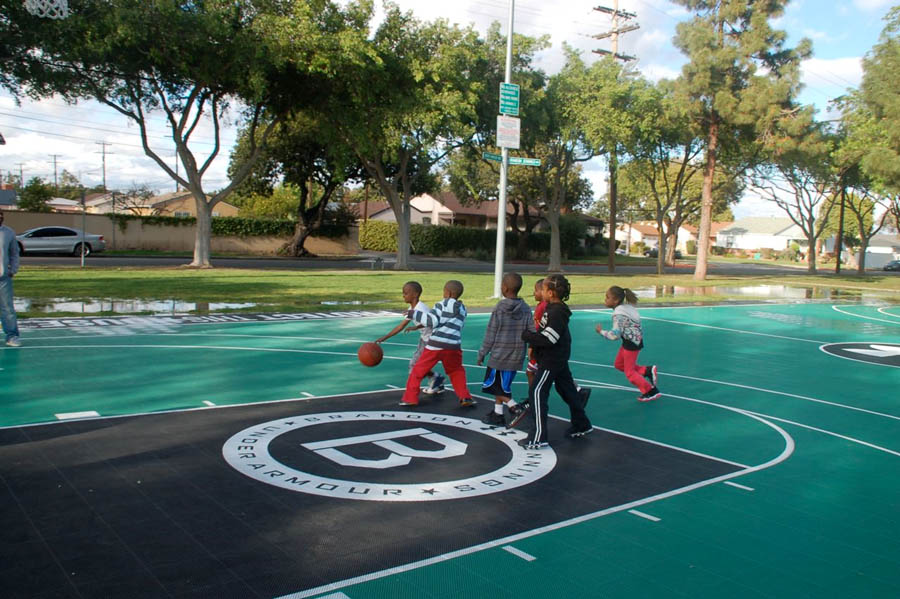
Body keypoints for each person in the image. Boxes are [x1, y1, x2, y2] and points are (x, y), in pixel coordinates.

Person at [519, 274, 592, 449]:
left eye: (543, 289)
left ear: (551, 293)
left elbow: (549, 339)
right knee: (567, 389)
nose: (541, 291)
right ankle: (582, 424)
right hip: (556, 357)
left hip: (552, 359)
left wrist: (527, 336)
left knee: (537, 392)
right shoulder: (552, 308)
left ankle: (538, 437)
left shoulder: (557, 312)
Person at [400, 279, 475, 408]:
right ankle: (465, 397)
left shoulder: (440, 305)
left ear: (448, 292)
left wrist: (414, 314)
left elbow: (432, 321)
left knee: (418, 370)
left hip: (436, 345)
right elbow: (460, 326)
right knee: (456, 371)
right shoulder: (463, 308)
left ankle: (410, 398)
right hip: (454, 345)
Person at [476, 272, 534, 426]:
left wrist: (482, 353)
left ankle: (515, 408)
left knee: (495, 387)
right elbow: (531, 331)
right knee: (503, 385)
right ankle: (498, 413)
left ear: (505, 288)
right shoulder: (526, 308)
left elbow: (491, 333)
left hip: (499, 355)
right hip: (516, 355)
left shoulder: (500, 308)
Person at [375, 281, 445, 394]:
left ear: (415, 294)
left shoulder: (421, 308)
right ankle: (436, 378)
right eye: (403, 293)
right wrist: (385, 337)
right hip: (424, 340)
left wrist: (416, 327)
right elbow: (401, 326)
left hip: (433, 341)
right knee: (416, 364)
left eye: (406, 293)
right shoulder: (412, 309)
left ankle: (413, 393)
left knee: (416, 365)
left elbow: (432, 322)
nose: (403, 295)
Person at [596, 285, 660, 401]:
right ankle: (647, 370)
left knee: (629, 373)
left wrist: (601, 332)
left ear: (615, 300)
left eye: (607, 297)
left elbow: (614, 335)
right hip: (632, 339)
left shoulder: (619, 315)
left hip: (631, 343)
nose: (605, 299)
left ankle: (651, 391)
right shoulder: (625, 307)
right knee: (619, 364)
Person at [0, 209, 21, 347]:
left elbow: (14, 253)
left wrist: (13, 270)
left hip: (3, 279)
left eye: (1, 215)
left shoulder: (8, 232)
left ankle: (12, 336)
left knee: (7, 308)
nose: (0, 217)